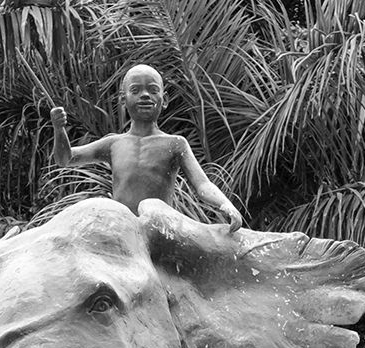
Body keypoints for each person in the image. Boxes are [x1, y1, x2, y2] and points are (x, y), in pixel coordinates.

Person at [50, 64, 243, 228]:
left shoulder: (175, 144)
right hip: (122, 229)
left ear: (164, 99)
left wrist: (225, 204)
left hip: (159, 228)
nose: (144, 96)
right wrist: (59, 130)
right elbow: (65, 159)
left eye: (152, 90)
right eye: (135, 90)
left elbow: (202, 184)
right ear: (123, 99)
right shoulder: (113, 143)